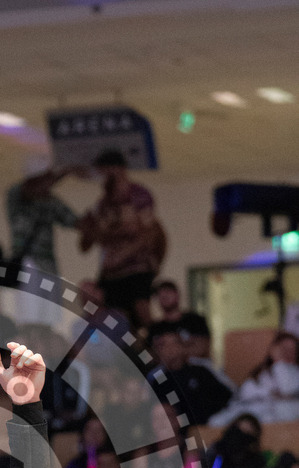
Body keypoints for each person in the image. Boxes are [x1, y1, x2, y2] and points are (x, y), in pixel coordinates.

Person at [78, 150, 165, 330]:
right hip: (112, 272)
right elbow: (91, 241)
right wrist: (89, 230)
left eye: (107, 171)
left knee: (141, 309)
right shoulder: (102, 204)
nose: (104, 177)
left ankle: (153, 346)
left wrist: (123, 254)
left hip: (137, 267)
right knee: (111, 316)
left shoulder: (139, 196)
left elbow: (148, 233)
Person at [209, 330, 299, 427]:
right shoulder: (259, 374)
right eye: (283, 349)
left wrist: (280, 366)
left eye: (292, 351)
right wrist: (269, 394)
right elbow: (245, 394)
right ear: (273, 349)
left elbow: (288, 389)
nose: (286, 353)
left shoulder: (294, 373)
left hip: (277, 418)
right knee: (216, 422)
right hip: (250, 412)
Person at [148, 326, 233, 425]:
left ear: (183, 346)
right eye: (164, 345)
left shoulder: (201, 370)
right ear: (159, 350)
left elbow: (227, 395)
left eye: (174, 343)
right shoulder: (156, 379)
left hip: (212, 423)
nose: (170, 349)